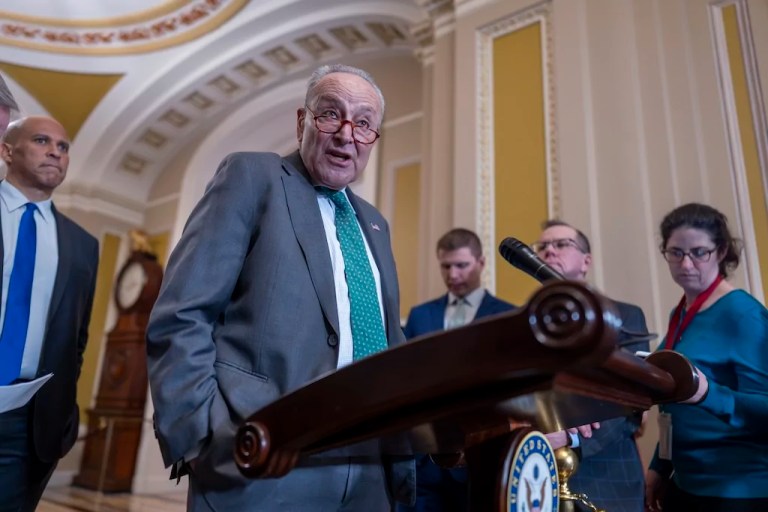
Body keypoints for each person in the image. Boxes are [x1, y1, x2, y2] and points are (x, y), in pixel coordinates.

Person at [146, 64, 413, 512]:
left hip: (368, 463)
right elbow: (183, 313)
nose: (347, 134)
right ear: (301, 122)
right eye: (331, 114)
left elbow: (389, 341)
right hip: (263, 455)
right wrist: (204, 439)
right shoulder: (253, 177)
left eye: (364, 123)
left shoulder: (374, 224)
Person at [0, 116, 99, 510]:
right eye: (42, 141)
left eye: (63, 146)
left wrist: (64, 413)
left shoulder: (83, 245)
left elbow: (77, 338)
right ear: (8, 150)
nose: (55, 152)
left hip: (33, 423)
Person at [645, 203, 768, 512]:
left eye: (699, 252)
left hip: (738, 490)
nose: (686, 264)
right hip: (685, 481)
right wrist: (660, 467)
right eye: (676, 252)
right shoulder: (681, 311)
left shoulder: (744, 315)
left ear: (721, 250)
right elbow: (676, 406)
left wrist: (707, 394)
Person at [397, 228, 515, 512]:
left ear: (481, 263)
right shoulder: (421, 315)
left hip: (482, 454)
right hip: (424, 458)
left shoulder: (508, 316)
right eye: (446, 266)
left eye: (461, 265)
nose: (453, 274)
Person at [535, 220, 649, 512]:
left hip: (606, 474)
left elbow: (632, 401)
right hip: (539, 475)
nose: (549, 252)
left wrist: (569, 436)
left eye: (561, 245)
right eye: (543, 247)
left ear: (586, 261)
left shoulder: (624, 316)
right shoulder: (527, 324)